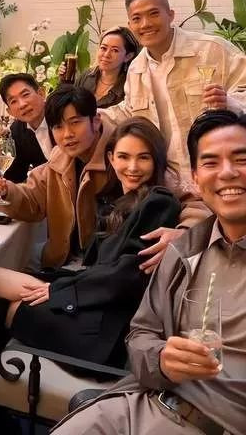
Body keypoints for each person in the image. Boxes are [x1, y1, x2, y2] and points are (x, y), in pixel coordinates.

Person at [53, 110, 246, 435]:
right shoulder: (183, 251)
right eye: (211, 162)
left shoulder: (159, 208)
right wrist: (161, 360)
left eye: (241, 159)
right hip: (142, 405)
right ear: (196, 177)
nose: (227, 172)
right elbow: (141, 334)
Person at [0, 118, 181, 369]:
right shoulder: (118, 200)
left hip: (108, 326)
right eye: (124, 157)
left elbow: (128, 276)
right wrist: (57, 286)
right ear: (111, 158)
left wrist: (59, 292)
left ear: (156, 161)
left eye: (143, 158)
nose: (132, 167)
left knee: (8, 307)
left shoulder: (158, 202)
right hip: (93, 294)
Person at [0, 85, 207, 272]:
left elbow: (194, 202)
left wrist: (184, 232)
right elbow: (32, 200)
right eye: (58, 126)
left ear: (96, 121)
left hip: (105, 268)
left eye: (75, 122)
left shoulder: (123, 155)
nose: (67, 134)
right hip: (61, 258)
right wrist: (7, 191)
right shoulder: (60, 158)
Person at [102, 0, 246, 180]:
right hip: (168, 182)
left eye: (153, 13)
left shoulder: (212, 51)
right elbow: (128, 111)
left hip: (218, 176)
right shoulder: (136, 69)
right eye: (137, 18)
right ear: (130, 25)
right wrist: (86, 115)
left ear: (170, 15)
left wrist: (229, 103)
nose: (145, 24)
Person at [0, 73, 51, 183]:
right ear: (10, 112)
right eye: (13, 101)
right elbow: (16, 175)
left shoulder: (61, 117)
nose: (22, 104)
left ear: (41, 94)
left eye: (25, 95)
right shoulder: (18, 129)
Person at [73, 27, 139, 108]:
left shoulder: (131, 87)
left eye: (115, 50)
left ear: (128, 56)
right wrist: (64, 80)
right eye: (103, 48)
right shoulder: (86, 76)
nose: (106, 55)